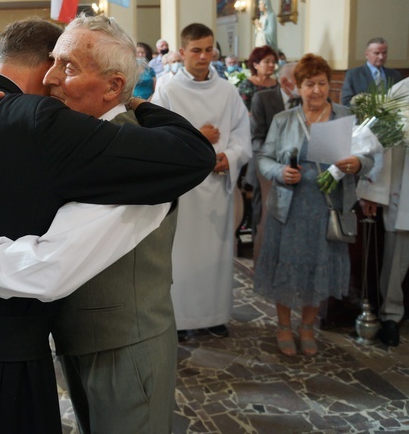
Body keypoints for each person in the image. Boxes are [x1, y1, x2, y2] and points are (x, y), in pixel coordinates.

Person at [0, 17, 216, 433]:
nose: (51, 78)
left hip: (124, 347)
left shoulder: (135, 154)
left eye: (68, 66)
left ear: (114, 86)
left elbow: (49, 267)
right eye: (54, 63)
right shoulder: (41, 130)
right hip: (26, 353)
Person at [255, 54, 373, 356]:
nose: (317, 91)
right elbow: (263, 158)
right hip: (291, 207)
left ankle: (306, 327)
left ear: (329, 85)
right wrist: (280, 172)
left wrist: (357, 163)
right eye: (310, 84)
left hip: (328, 207)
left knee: (320, 268)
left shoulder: (345, 117)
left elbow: (369, 157)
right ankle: (284, 326)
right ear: (298, 86)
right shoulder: (284, 119)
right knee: (288, 268)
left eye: (322, 84)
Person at [156, 23, 252, 341]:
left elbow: (241, 134)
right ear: (182, 52)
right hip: (185, 191)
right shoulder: (168, 90)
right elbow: (157, 138)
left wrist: (230, 157)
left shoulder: (227, 91)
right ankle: (181, 319)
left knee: (216, 255)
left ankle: (214, 315)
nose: (203, 56)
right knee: (182, 256)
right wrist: (199, 138)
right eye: (196, 50)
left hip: (217, 187)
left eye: (209, 49)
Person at [357, 76, 409, 347]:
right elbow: (381, 145)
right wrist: (373, 191)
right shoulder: (401, 90)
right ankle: (391, 314)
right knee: (396, 257)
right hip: (404, 185)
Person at [250, 62, 300, 261]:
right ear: (286, 82)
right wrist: (274, 163)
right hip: (265, 164)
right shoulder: (263, 98)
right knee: (262, 214)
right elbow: (256, 137)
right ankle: (260, 257)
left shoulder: (302, 101)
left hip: (294, 169)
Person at [341, 37, 403, 107]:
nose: (381, 57)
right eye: (376, 53)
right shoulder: (353, 74)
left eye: (384, 53)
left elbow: (401, 98)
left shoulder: (395, 75)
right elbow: (346, 101)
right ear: (367, 54)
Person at [237, 45, 279, 111]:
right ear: (255, 65)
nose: (271, 65)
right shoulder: (247, 85)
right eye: (267, 62)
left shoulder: (278, 84)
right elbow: (243, 110)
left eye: (273, 62)